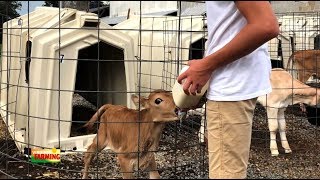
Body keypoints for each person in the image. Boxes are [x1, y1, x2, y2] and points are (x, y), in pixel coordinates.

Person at [177, 1, 279, 179]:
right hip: (231, 83)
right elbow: (227, 29)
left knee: (226, 173)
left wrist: (205, 67)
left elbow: (266, 26)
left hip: (231, 86)